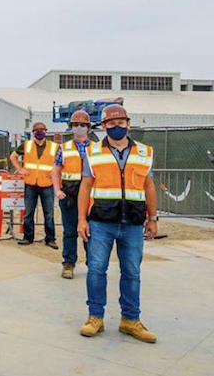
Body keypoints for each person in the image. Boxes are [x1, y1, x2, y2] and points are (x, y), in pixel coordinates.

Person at [78, 104, 158, 343]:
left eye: (120, 123)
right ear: (103, 127)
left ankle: (130, 320)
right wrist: (82, 219)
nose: (116, 127)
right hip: (101, 221)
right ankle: (95, 318)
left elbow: (149, 187)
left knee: (132, 272)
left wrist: (152, 219)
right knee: (96, 270)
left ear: (128, 124)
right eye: (110, 124)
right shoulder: (92, 152)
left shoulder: (144, 152)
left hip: (133, 222)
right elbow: (85, 186)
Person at [52, 109, 93, 279]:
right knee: (70, 231)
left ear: (88, 128)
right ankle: (68, 264)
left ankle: (94, 264)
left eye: (82, 125)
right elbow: (55, 170)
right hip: (69, 195)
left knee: (91, 232)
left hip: (91, 197)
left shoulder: (96, 148)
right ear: (71, 127)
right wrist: (57, 191)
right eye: (75, 125)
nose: (79, 128)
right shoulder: (64, 148)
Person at [10, 121, 59, 248]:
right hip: (30, 184)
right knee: (28, 213)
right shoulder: (26, 145)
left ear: (46, 131)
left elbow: (63, 162)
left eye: (42, 130)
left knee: (49, 214)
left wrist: (55, 172)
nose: (39, 132)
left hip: (47, 184)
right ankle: (28, 237)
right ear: (33, 133)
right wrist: (20, 169)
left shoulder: (54, 147)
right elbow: (12, 157)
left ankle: (50, 239)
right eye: (37, 130)